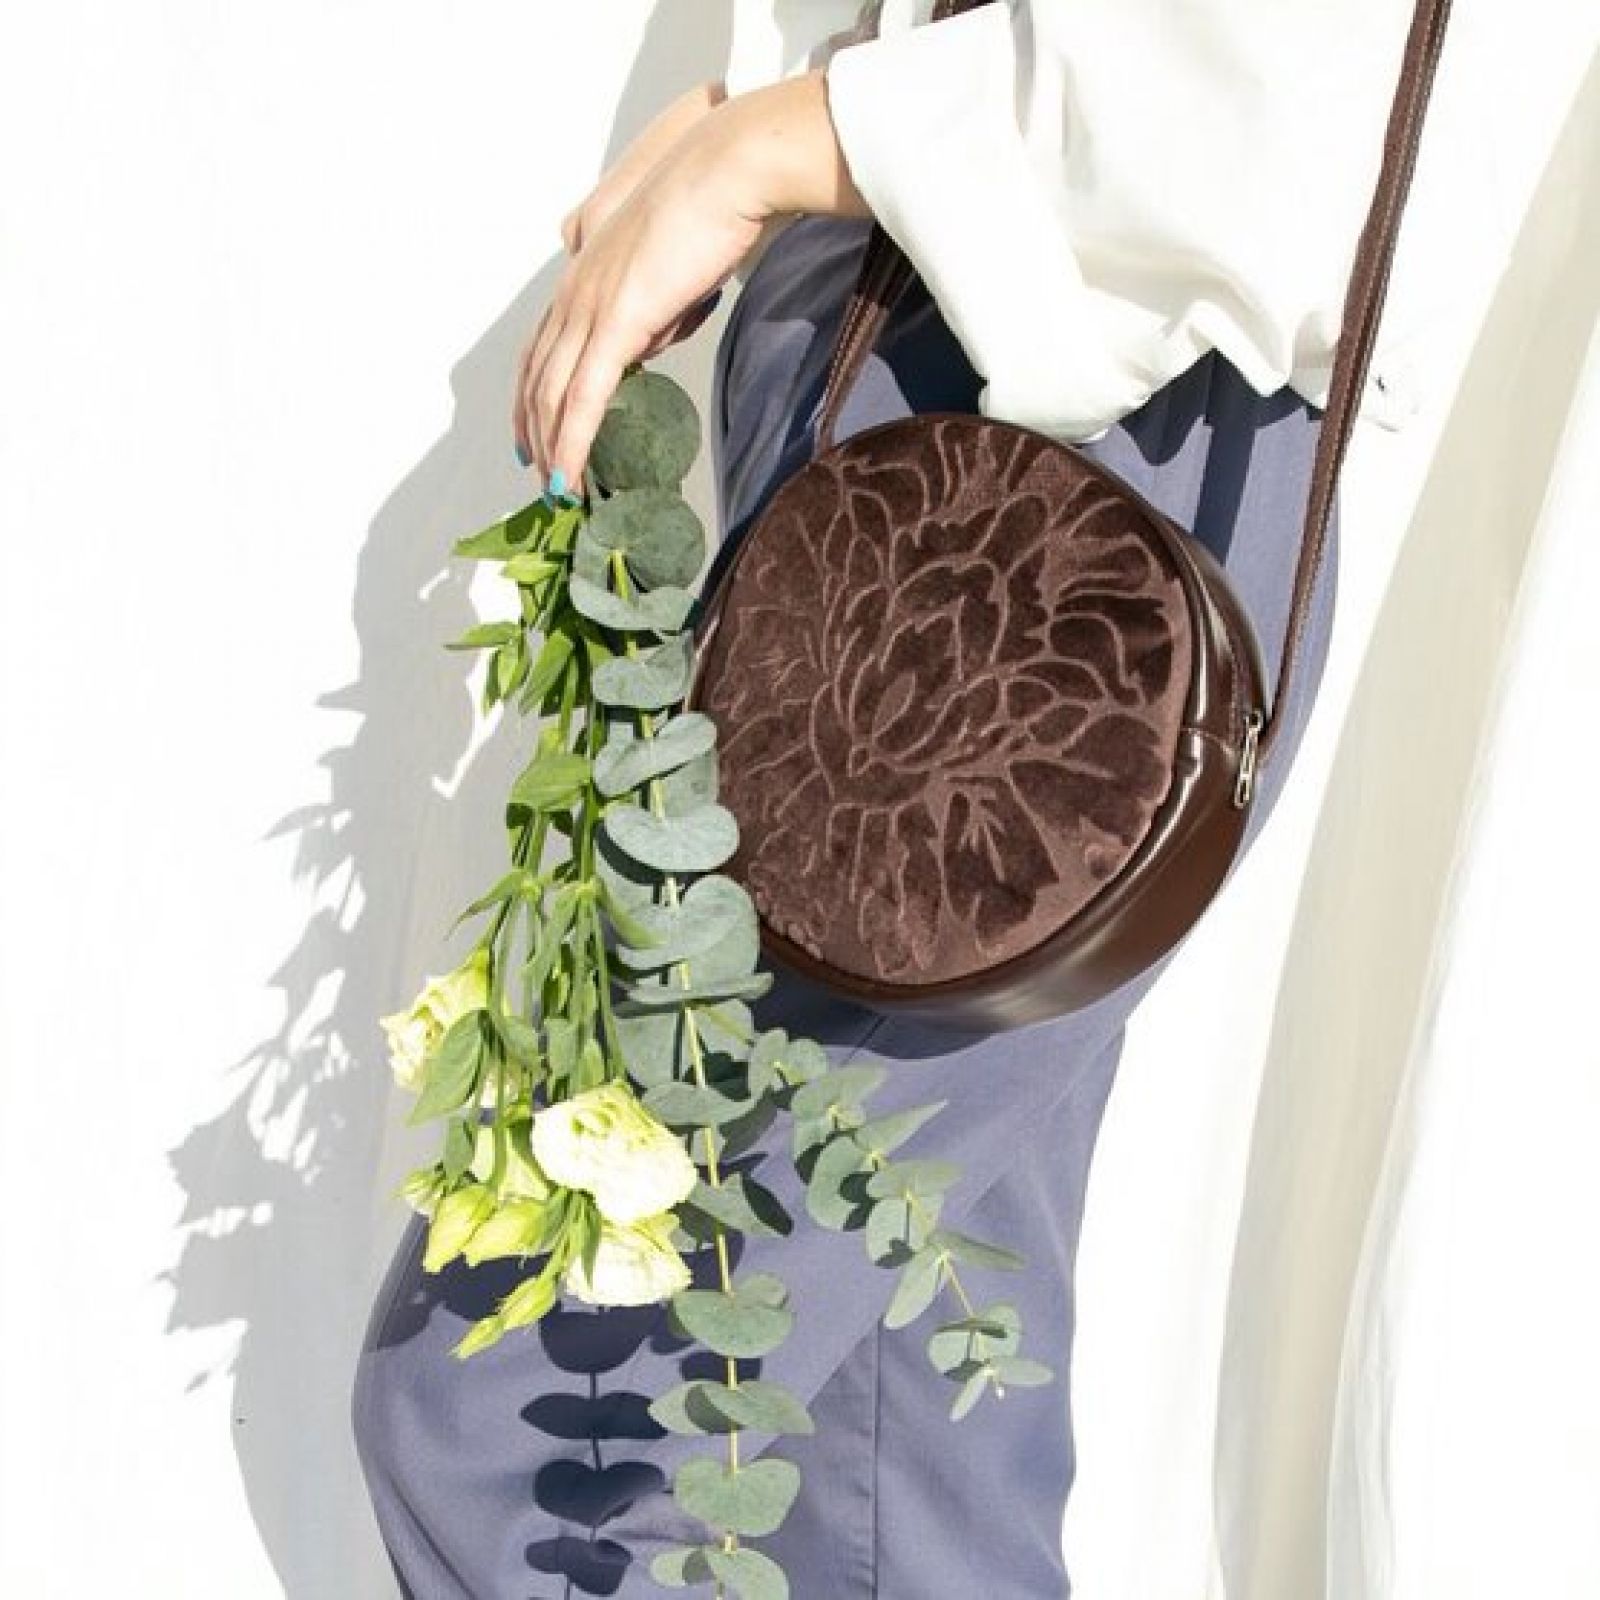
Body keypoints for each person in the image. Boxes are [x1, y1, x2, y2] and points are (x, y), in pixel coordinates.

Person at [352, 2, 1425, 1593]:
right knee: (893, 1486)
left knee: (531, 1431)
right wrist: (802, 110)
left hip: (1085, 458)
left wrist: (790, 139)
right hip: (920, 333)